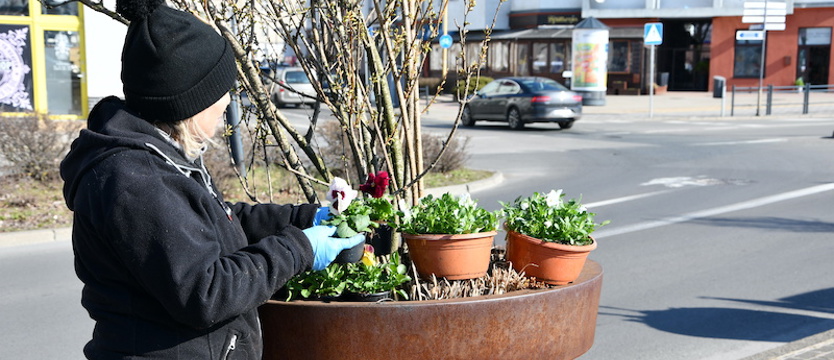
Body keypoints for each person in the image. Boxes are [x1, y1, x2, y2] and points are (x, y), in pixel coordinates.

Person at [59, 0, 363, 358]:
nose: (226, 105)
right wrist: (301, 248)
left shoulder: (161, 155)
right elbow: (206, 292)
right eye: (220, 97)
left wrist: (303, 218)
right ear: (189, 105)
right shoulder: (133, 181)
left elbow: (213, 222)